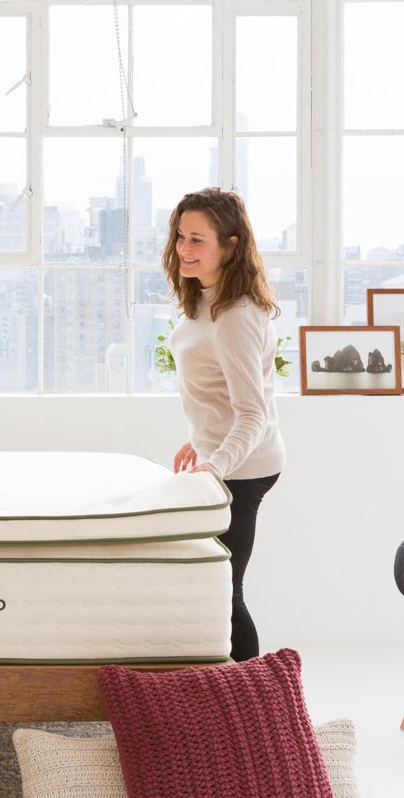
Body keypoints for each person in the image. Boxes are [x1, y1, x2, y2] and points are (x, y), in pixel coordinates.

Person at [163, 188, 285, 662]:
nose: (184, 249)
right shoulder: (204, 298)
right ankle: (221, 685)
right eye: (180, 237)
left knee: (222, 587)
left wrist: (216, 464)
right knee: (211, 584)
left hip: (246, 468)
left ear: (230, 245)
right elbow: (218, 393)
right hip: (223, 457)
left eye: (197, 240)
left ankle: (258, 700)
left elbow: (253, 412)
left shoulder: (236, 316)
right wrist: (200, 440)